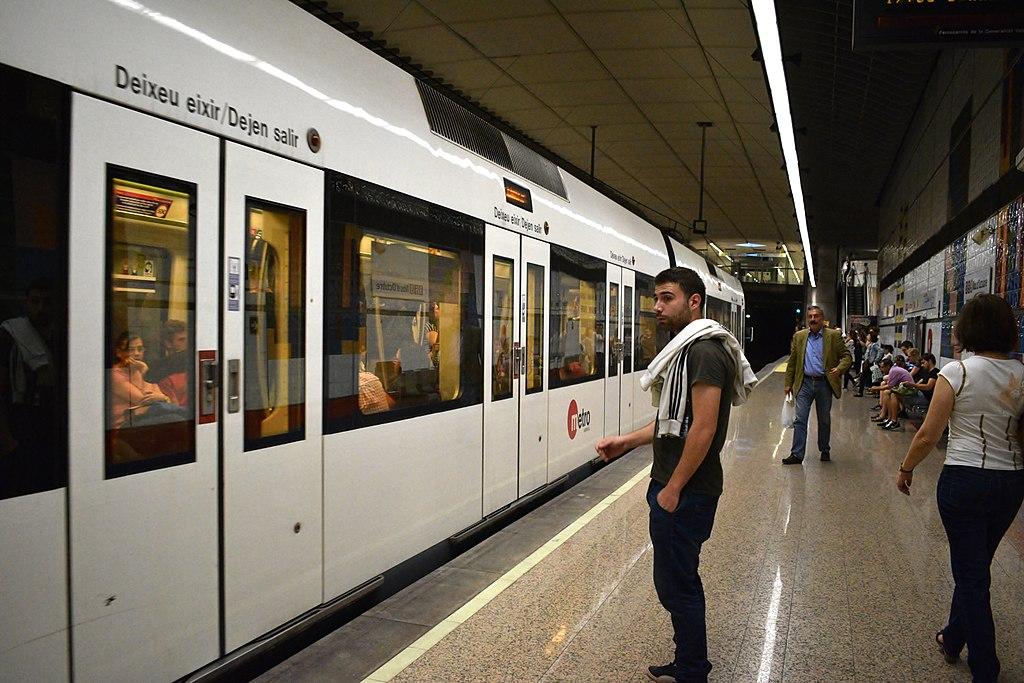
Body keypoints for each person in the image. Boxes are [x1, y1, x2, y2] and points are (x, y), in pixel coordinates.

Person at [594, 267, 756, 683]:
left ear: (694, 301)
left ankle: (692, 669)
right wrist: (626, 442)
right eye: (656, 298)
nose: (657, 307)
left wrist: (674, 487)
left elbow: (703, 428)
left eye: (667, 298)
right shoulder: (686, 351)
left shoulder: (703, 353)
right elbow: (674, 422)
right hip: (678, 486)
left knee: (677, 585)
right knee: (677, 580)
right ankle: (689, 662)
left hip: (687, 491)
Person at [895, 295, 1024, 682]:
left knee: (971, 575)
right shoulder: (1021, 373)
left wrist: (906, 468)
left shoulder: (958, 372)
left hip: (965, 481)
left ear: (969, 328)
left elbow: (928, 434)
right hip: (1010, 483)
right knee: (976, 566)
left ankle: (985, 666)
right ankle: (952, 638)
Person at [0, 278, 59, 498]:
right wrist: (5, 436)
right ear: (26, 303)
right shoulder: (12, 334)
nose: (40, 308)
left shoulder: (59, 335)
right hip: (21, 420)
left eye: (47, 302)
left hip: (50, 420)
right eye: (35, 301)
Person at [782, 306, 853, 464]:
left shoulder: (833, 336)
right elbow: (792, 362)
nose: (813, 319)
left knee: (824, 419)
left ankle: (824, 449)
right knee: (800, 419)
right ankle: (797, 454)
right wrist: (788, 383)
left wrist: (839, 369)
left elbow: (847, 356)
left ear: (822, 318)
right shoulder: (799, 336)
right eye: (810, 316)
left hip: (824, 384)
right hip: (804, 383)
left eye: (816, 316)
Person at [145, 319, 189, 406]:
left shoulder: (192, 360)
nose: (187, 343)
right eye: (181, 340)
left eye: (187, 339)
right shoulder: (157, 367)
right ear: (168, 343)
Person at [857, 330, 881, 397]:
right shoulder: (871, 344)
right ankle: (875, 392)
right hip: (868, 362)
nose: (867, 336)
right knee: (872, 377)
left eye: (869, 335)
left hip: (870, 363)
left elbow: (880, 351)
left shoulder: (874, 345)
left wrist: (876, 359)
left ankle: (861, 392)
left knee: (870, 377)